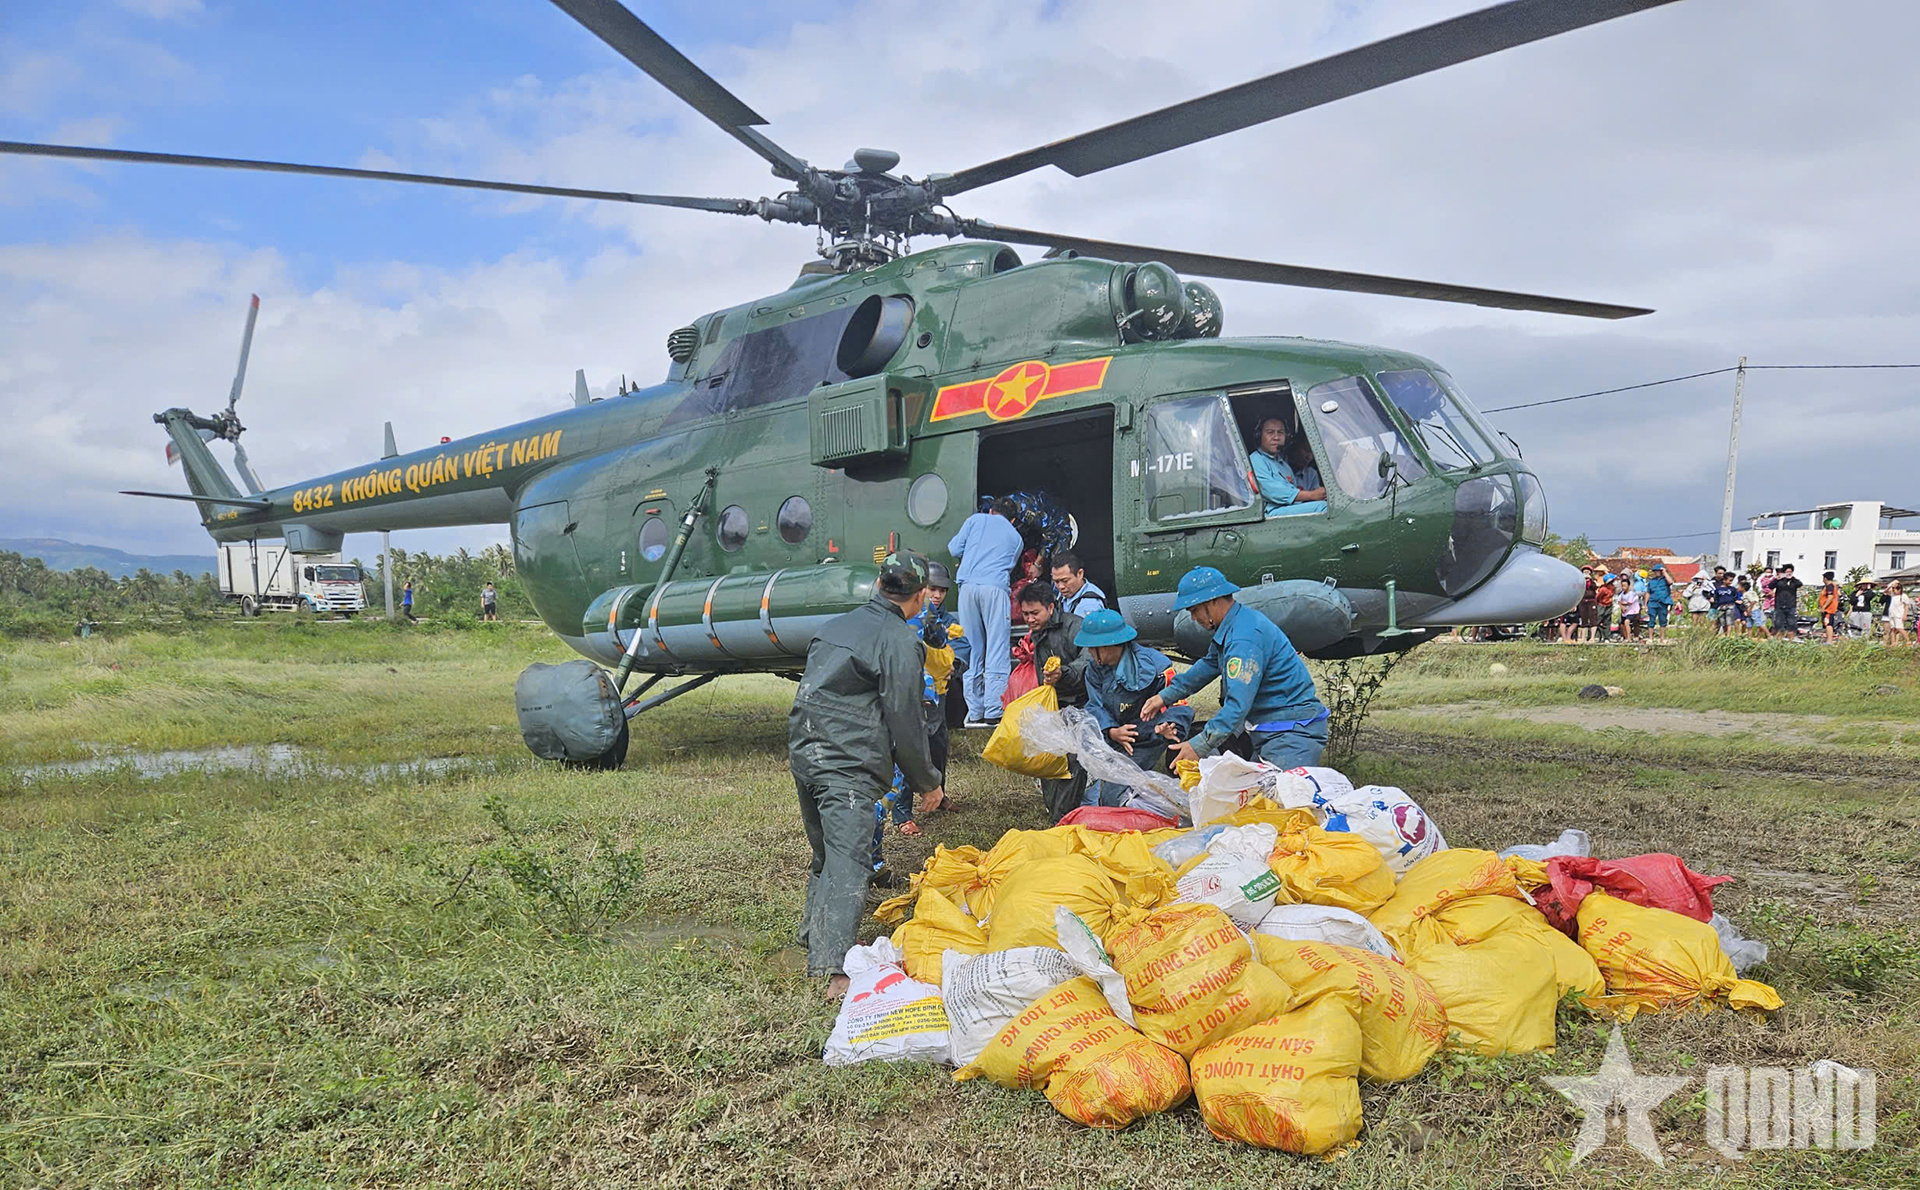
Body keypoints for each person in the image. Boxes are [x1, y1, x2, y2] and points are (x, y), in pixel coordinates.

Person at [788, 551, 944, 996]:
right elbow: (905, 717)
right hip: (846, 764)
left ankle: (811, 933)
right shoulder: (898, 639)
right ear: (916, 598)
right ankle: (832, 966)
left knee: (826, 852)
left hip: (806, 752)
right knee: (850, 860)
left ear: (878, 585)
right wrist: (926, 781)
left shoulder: (836, 627)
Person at [1139, 567, 1330, 768]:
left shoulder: (1243, 639)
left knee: (1285, 797)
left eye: (1194, 610)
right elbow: (1208, 665)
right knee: (1259, 795)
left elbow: (1237, 706)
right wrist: (1164, 696)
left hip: (1291, 733)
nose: (1194, 618)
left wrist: (1199, 745)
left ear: (1212, 601)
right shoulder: (1233, 626)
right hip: (1272, 729)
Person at [1076, 609, 1193, 807]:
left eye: (1093, 647)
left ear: (1112, 644)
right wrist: (1111, 731)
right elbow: (1094, 705)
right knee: (1100, 788)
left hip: (1149, 738)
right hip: (1116, 738)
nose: (1089, 652)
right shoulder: (1095, 669)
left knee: (1117, 795)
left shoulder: (1156, 666)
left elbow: (1178, 703)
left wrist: (1168, 726)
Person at [1017, 581, 1091, 820]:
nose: (1029, 619)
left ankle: (1063, 816)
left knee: (1073, 760)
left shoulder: (1075, 627)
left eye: (1034, 613)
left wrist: (1064, 673)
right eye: (1025, 614)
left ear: (1050, 607)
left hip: (1080, 704)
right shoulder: (1039, 630)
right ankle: (1055, 812)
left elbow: (1086, 663)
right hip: (1052, 704)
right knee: (1048, 756)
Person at [948, 497, 1023, 727]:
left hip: (968, 587)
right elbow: (1010, 565)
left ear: (991, 511)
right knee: (997, 647)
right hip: (994, 589)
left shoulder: (975, 520)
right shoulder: (1016, 537)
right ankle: (993, 709)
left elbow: (953, 548)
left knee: (972, 647)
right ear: (1012, 520)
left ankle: (975, 709)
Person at [1248, 417, 1328, 518]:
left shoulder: (1284, 466)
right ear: (1259, 436)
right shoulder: (1256, 460)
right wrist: (1311, 495)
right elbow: (1273, 492)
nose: (1276, 437)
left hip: (1286, 509)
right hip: (1269, 512)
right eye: (1270, 432)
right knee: (1323, 507)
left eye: (1280, 432)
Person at [1050, 551, 1108, 619]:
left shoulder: (1088, 606)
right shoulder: (1067, 593)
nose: (1060, 587)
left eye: (1065, 581)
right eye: (1056, 581)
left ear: (1080, 574)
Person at [1771, 563, 1804, 638]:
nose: (1788, 573)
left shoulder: (1794, 581)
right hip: (1779, 606)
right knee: (1779, 624)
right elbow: (1771, 586)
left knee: (1792, 624)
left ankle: (1790, 641)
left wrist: (1792, 578)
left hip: (1791, 606)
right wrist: (1777, 579)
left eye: (1790, 571)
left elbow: (1800, 584)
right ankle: (1779, 641)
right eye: (1787, 571)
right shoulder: (1779, 581)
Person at [1646, 564, 1673, 640]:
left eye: (1658, 571)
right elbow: (1648, 592)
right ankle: (1650, 638)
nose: (1657, 572)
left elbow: (1671, 582)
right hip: (1652, 603)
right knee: (1651, 620)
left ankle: (1662, 638)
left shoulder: (1665, 579)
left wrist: (1665, 572)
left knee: (1663, 620)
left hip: (1663, 603)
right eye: (1656, 571)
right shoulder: (1652, 581)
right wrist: (1645, 604)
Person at [1710, 571, 1742, 636]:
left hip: (1730, 606)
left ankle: (1728, 635)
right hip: (1721, 607)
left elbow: (1735, 597)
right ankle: (1725, 634)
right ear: (1724, 580)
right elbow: (1716, 598)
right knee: (1723, 622)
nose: (1730, 582)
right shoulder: (1718, 589)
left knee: (1729, 621)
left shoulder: (1732, 589)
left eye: (1732, 581)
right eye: (1729, 580)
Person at [1818, 571, 1843, 643]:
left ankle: (1829, 641)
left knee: (1828, 624)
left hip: (1829, 609)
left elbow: (1830, 597)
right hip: (1830, 609)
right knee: (1828, 624)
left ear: (1825, 578)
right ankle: (1829, 640)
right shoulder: (1833, 586)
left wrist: (1824, 607)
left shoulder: (1830, 586)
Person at [1577, 567, 1600, 643]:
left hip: (1591, 601)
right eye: (1585, 572)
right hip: (1583, 601)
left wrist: (1590, 580)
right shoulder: (1580, 581)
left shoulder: (1593, 581)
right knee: (1583, 619)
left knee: (1593, 618)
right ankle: (1583, 637)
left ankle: (1592, 637)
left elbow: (1595, 588)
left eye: (1588, 572)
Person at [1885, 581, 1912, 648]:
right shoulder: (1893, 595)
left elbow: (1906, 606)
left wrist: (1905, 614)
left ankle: (1908, 640)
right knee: (1893, 629)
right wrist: (1890, 586)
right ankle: (1893, 642)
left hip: (1899, 614)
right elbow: (1885, 591)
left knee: (1899, 628)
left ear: (1899, 589)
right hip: (1892, 614)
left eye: (1895, 589)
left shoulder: (1903, 596)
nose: (1894, 591)